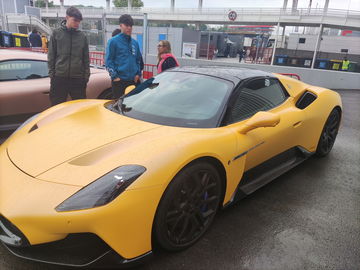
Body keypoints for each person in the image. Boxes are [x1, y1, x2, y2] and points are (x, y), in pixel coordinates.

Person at [48, 6, 90, 106]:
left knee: (80, 107)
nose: (77, 23)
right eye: (75, 20)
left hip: (78, 78)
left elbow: (86, 59)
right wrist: (52, 75)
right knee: (56, 107)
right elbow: (51, 56)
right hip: (59, 78)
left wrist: (86, 77)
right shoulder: (56, 33)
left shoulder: (82, 37)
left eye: (79, 21)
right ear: (67, 17)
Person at [106, 14, 142, 99]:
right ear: (120, 25)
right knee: (119, 107)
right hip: (119, 81)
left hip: (133, 81)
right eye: (126, 25)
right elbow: (109, 61)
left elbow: (138, 60)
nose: (129, 28)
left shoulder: (135, 43)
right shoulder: (113, 41)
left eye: (131, 26)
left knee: (132, 107)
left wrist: (138, 74)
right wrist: (115, 77)